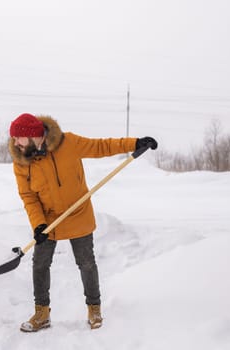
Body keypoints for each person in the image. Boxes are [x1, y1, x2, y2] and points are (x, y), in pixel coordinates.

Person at [8, 113, 157, 332]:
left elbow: (101, 147)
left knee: (86, 263)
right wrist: (38, 224)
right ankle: (42, 313)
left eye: (18, 137)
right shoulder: (22, 162)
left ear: (33, 136)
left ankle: (94, 308)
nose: (14, 142)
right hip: (49, 220)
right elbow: (29, 197)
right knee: (40, 265)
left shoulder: (67, 143)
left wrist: (134, 143)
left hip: (78, 212)